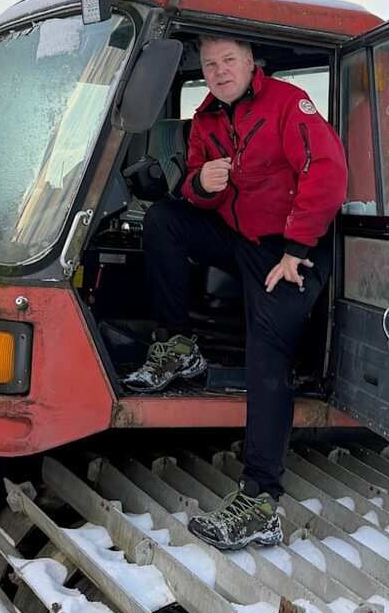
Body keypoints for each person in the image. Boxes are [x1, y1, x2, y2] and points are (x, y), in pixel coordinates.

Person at [124, 35, 347, 550]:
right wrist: (202, 183)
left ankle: (261, 501)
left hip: (294, 245)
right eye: (210, 64)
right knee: (163, 222)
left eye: (229, 61)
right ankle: (178, 347)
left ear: (250, 64)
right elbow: (193, 198)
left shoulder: (288, 105)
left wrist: (296, 248)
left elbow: (327, 172)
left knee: (266, 352)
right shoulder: (206, 119)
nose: (219, 71)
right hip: (240, 234)